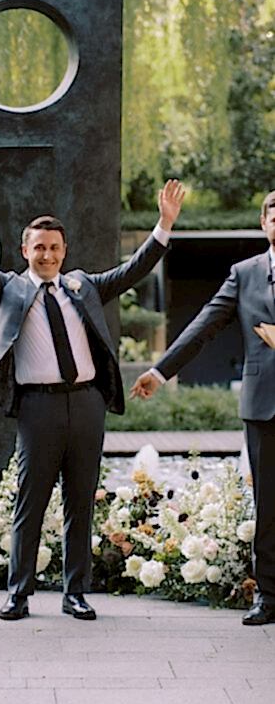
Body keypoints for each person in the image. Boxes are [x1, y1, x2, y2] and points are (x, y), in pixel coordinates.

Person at [0, 168, 185, 622]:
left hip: (87, 403)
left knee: (80, 502)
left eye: (54, 248)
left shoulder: (82, 286)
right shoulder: (9, 288)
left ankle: (75, 593)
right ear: (26, 250)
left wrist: (163, 225)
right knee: (31, 503)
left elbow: (133, 271)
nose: (46, 255)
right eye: (38, 248)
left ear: (64, 251)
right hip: (38, 407)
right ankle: (18, 593)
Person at [131, 190, 275, 626]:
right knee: (267, 507)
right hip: (264, 406)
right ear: (263, 222)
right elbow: (203, 326)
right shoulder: (245, 274)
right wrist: (159, 372)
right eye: (274, 212)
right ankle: (268, 597)